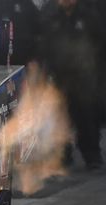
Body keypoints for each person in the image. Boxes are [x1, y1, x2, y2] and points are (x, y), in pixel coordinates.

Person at [39, 0, 105, 169]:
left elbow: (100, 41)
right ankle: (63, 153)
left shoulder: (89, 14)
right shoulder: (49, 14)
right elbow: (42, 43)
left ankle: (92, 154)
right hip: (58, 74)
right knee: (61, 115)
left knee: (87, 115)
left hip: (85, 75)